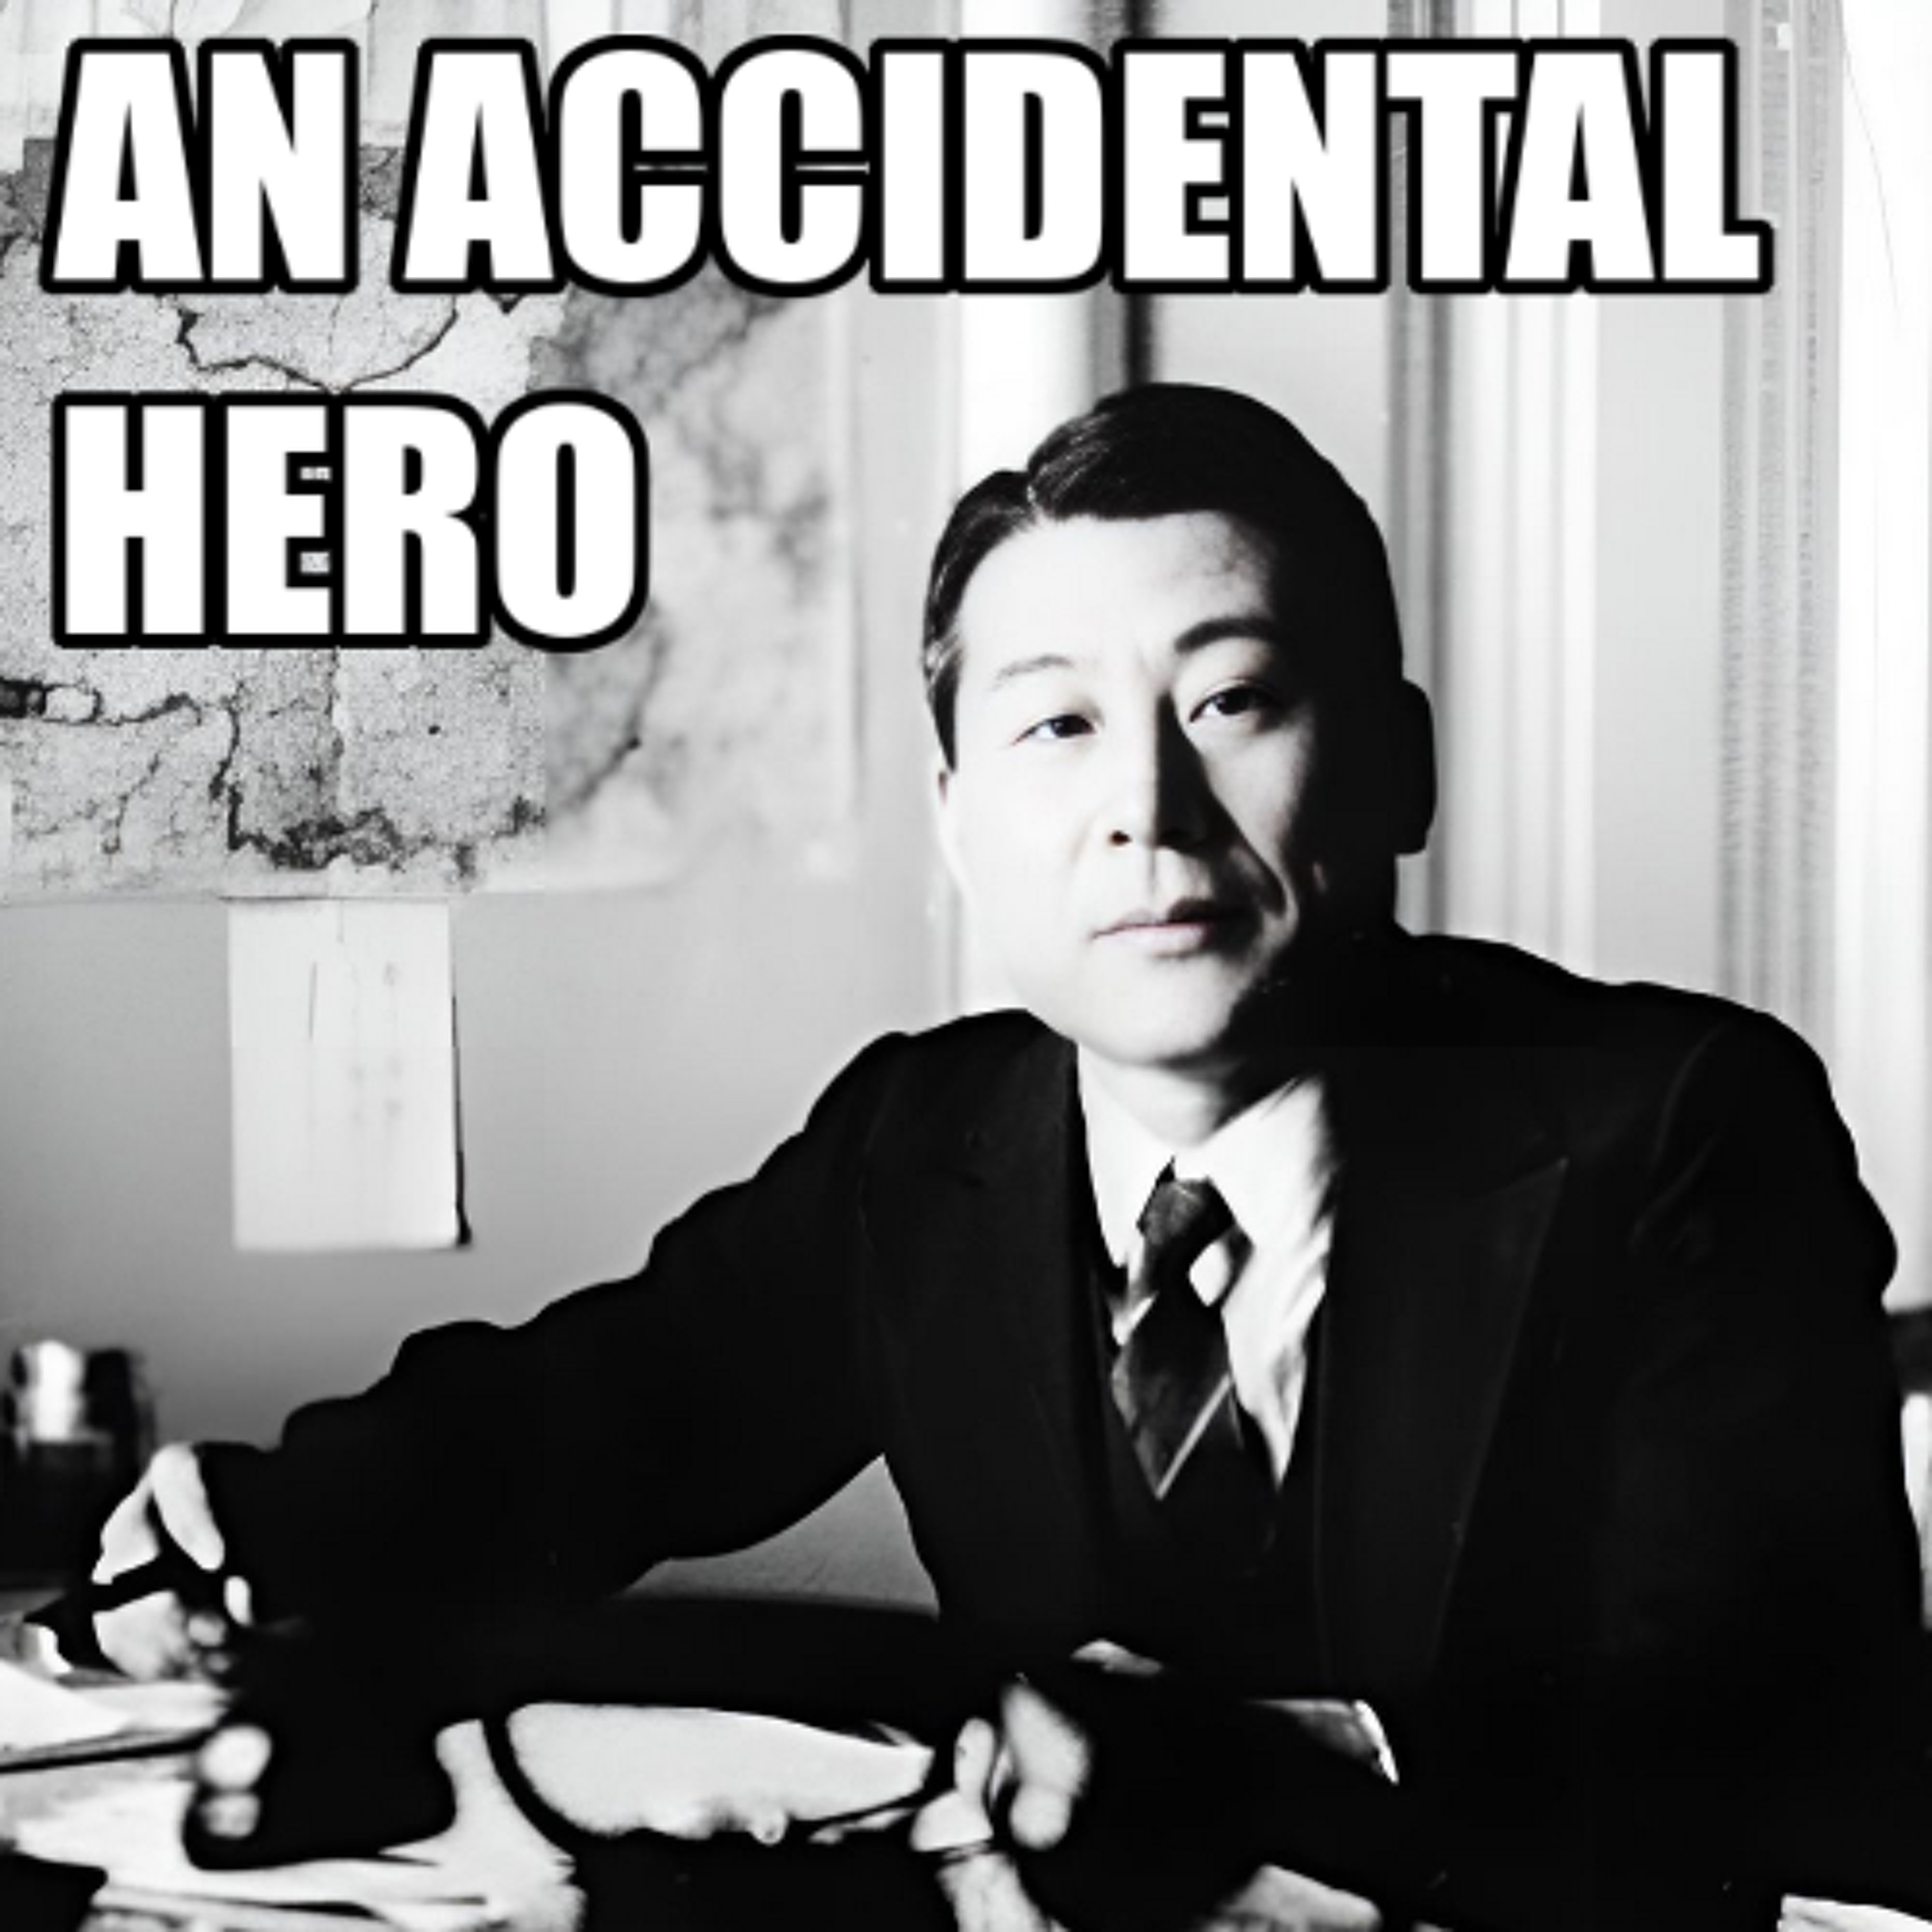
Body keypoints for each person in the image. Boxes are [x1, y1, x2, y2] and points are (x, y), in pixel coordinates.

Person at [80, 386, 1931, 1929]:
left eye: (1231, 700)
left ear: (1397, 769)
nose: (1145, 807)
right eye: (1058, 725)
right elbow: (605, 1415)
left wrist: (1280, 1763)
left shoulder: (1681, 1125)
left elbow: (1768, 1727)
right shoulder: (927, 1140)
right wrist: (276, 1521)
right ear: (964, 824)